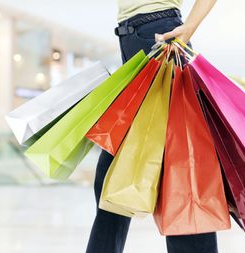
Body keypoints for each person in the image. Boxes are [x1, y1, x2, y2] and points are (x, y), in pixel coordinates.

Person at [86, 0, 217, 253]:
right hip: (134, 39)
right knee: (112, 180)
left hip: (160, 35)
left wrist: (189, 27)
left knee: (181, 172)